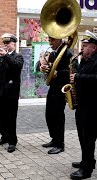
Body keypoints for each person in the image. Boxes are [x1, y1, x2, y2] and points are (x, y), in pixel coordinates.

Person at [0, 33, 24, 153]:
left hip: (11, 94)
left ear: (14, 44)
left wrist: (5, 56)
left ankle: (12, 141)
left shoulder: (18, 56)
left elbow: (16, 67)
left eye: (8, 43)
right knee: (1, 117)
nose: (5, 46)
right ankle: (4, 137)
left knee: (11, 118)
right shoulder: (0, 57)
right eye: (4, 44)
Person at [69, 30, 97, 180]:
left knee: (88, 138)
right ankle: (87, 161)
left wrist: (79, 77)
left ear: (94, 48)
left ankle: (86, 170)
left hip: (92, 108)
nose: (82, 48)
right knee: (82, 136)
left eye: (85, 45)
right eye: (82, 45)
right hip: (82, 105)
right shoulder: (84, 61)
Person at [40, 36, 73, 154]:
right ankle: (54, 139)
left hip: (61, 88)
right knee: (49, 114)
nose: (50, 43)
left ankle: (60, 144)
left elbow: (72, 70)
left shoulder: (68, 52)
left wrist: (57, 73)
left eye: (52, 40)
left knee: (58, 116)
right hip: (53, 88)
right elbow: (50, 67)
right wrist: (44, 67)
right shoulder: (54, 53)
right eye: (49, 40)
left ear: (59, 39)